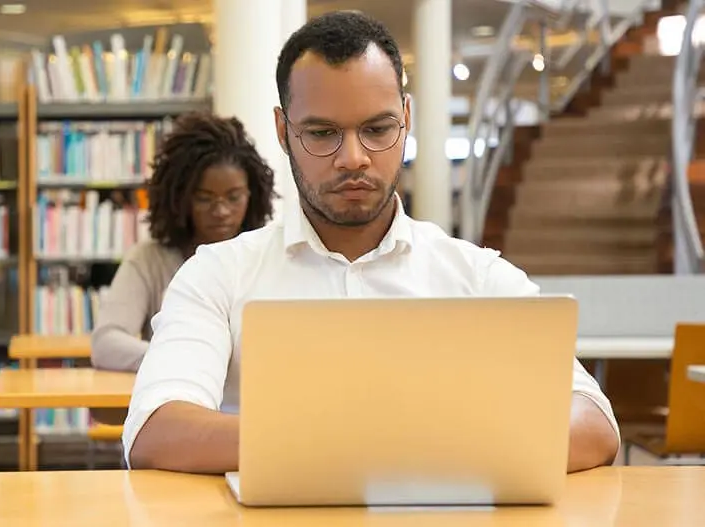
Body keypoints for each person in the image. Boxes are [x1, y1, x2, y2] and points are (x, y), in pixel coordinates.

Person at [121, 11, 620, 475]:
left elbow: (593, 422)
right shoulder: (218, 275)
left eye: (378, 129)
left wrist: (384, 449)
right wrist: (381, 446)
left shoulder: (476, 276)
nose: (353, 158)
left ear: (406, 117)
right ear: (282, 130)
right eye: (322, 133)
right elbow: (155, 430)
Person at [90, 111, 276, 372]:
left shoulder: (267, 257)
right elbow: (106, 345)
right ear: (181, 198)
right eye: (205, 198)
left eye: (234, 197)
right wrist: (186, 359)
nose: (221, 210)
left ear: (252, 195)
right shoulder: (149, 259)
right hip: (178, 397)